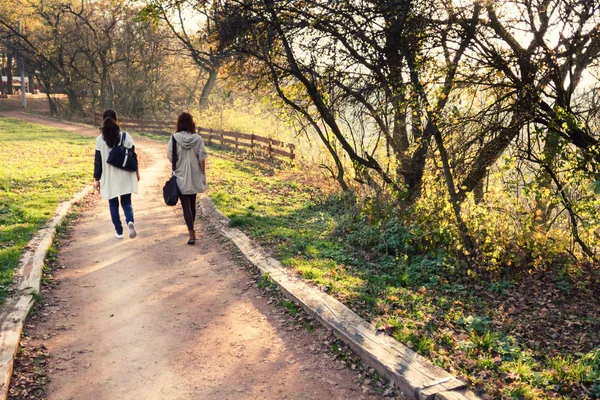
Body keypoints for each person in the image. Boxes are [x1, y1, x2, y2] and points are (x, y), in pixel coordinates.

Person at [94, 109, 140, 239]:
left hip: (109, 177)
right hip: (125, 175)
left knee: (113, 204)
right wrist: (137, 172)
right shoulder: (126, 136)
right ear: (117, 120)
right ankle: (130, 221)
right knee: (126, 202)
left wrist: (97, 179)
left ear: (103, 121)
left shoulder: (99, 139)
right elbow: (133, 156)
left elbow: (98, 161)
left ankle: (119, 232)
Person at [168, 112, 208, 245]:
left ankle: (191, 232)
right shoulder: (198, 139)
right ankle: (192, 231)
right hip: (195, 174)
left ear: (179, 123)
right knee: (192, 203)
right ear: (191, 123)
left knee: (185, 206)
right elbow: (202, 159)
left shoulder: (174, 138)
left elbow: (170, 157)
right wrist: (203, 174)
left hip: (180, 174)